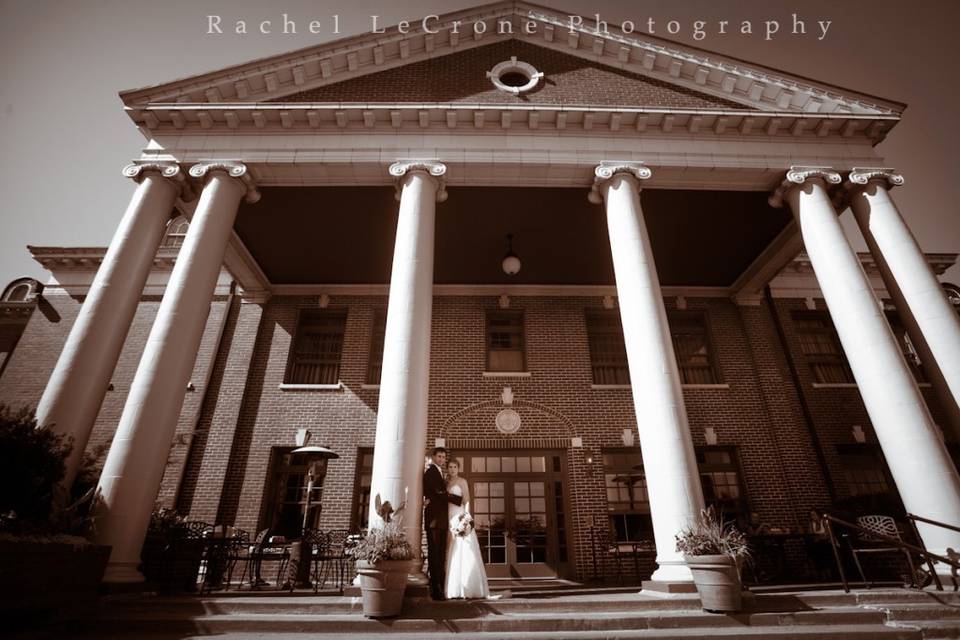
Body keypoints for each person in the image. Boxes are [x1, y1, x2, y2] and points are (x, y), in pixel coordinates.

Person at [444, 460, 490, 599]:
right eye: (450, 467)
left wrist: (466, 518)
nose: (452, 469)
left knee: (464, 549)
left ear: (458, 468)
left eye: (455, 467)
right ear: (447, 469)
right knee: (452, 550)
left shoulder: (462, 481)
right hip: (448, 517)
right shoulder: (445, 482)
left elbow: (467, 500)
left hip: (459, 516)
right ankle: (454, 587)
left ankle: (469, 587)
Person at [423, 447, 461, 601]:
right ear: (433, 457)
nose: (441, 459)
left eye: (443, 457)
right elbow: (439, 491)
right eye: (439, 456)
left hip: (441, 521)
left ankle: (440, 587)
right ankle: (435, 590)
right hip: (434, 521)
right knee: (435, 555)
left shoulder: (439, 472)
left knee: (440, 555)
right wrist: (457, 500)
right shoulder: (431, 471)